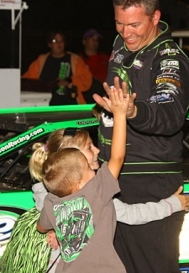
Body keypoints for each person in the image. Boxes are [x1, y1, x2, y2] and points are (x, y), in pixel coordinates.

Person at [93, 0, 189, 273]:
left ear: (155, 17)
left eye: (134, 25)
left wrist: (132, 111)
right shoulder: (120, 46)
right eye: (119, 24)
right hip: (112, 176)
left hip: (149, 183)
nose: (126, 33)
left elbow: (170, 113)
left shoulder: (169, 59)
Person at [37, 80, 129, 272]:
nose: (96, 151)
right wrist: (120, 115)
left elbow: (41, 227)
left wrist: (56, 228)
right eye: (88, 149)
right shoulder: (95, 191)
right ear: (78, 183)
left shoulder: (51, 199)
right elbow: (117, 157)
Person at [22, 30, 92, 105]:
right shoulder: (41, 61)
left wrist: (69, 82)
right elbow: (27, 81)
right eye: (55, 40)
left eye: (61, 40)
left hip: (71, 107)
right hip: (46, 107)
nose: (59, 43)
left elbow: (87, 80)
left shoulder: (75, 60)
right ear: (49, 44)